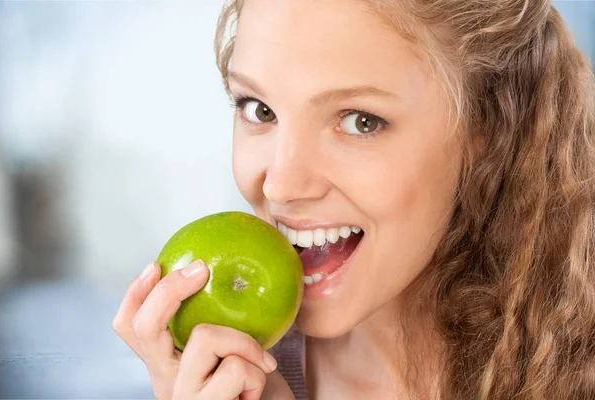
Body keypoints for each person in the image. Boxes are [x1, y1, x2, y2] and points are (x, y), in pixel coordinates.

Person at [112, 0, 595, 398]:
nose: (280, 184)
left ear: (485, 129)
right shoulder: (227, 379)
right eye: (258, 109)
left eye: (360, 121)